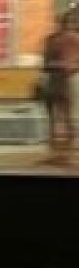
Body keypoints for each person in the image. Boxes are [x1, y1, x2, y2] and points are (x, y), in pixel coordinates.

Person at [42, 11, 79, 159]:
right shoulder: (53, 39)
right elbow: (46, 61)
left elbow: (46, 62)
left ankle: (63, 140)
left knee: (63, 112)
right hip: (59, 78)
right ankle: (59, 141)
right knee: (59, 112)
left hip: (61, 78)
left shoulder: (69, 39)